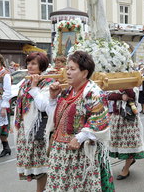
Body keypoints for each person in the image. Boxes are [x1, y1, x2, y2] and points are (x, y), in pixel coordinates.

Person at [45, 51, 114, 191]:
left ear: (84, 73)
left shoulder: (93, 93)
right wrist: (52, 99)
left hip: (80, 154)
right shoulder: (67, 91)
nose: (68, 72)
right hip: (61, 153)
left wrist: (80, 137)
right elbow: (58, 117)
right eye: (67, 68)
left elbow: (100, 120)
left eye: (72, 69)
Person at [14, 52, 54, 191]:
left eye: (33, 63)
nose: (30, 66)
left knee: (42, 164)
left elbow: (43, 106)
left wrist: (35, 86)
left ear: (41, 66)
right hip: (25, 127)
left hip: (39, 128)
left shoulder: (48, 81)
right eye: (28, 63)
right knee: (33, 164)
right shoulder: (25, 81)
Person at [108, 88, 144, 180]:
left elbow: (131, 95)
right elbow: (109, 96)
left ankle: (126, 168)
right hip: (117, 118)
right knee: (119, 144)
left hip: (128, 119)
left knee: (130, 145)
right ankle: (130, 161)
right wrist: (120, 96)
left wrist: (125, 86)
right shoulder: (116, 85)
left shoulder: (133, 85)